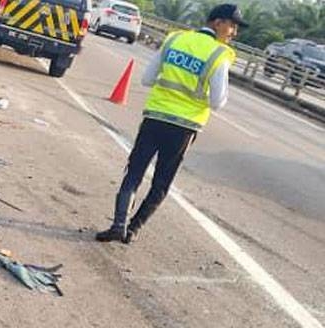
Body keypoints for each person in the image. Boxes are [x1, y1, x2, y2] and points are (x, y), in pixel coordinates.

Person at [95, 4, 247, 244]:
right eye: (232, 26)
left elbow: (147, 79)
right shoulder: (219, 54)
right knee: (162, 182)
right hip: (184, 127)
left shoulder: (175, 39)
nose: (234, 33)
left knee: (133, 172)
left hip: (155, 117)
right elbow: (218, 102)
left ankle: (118, 225)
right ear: (218, 22)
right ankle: (133, 229)